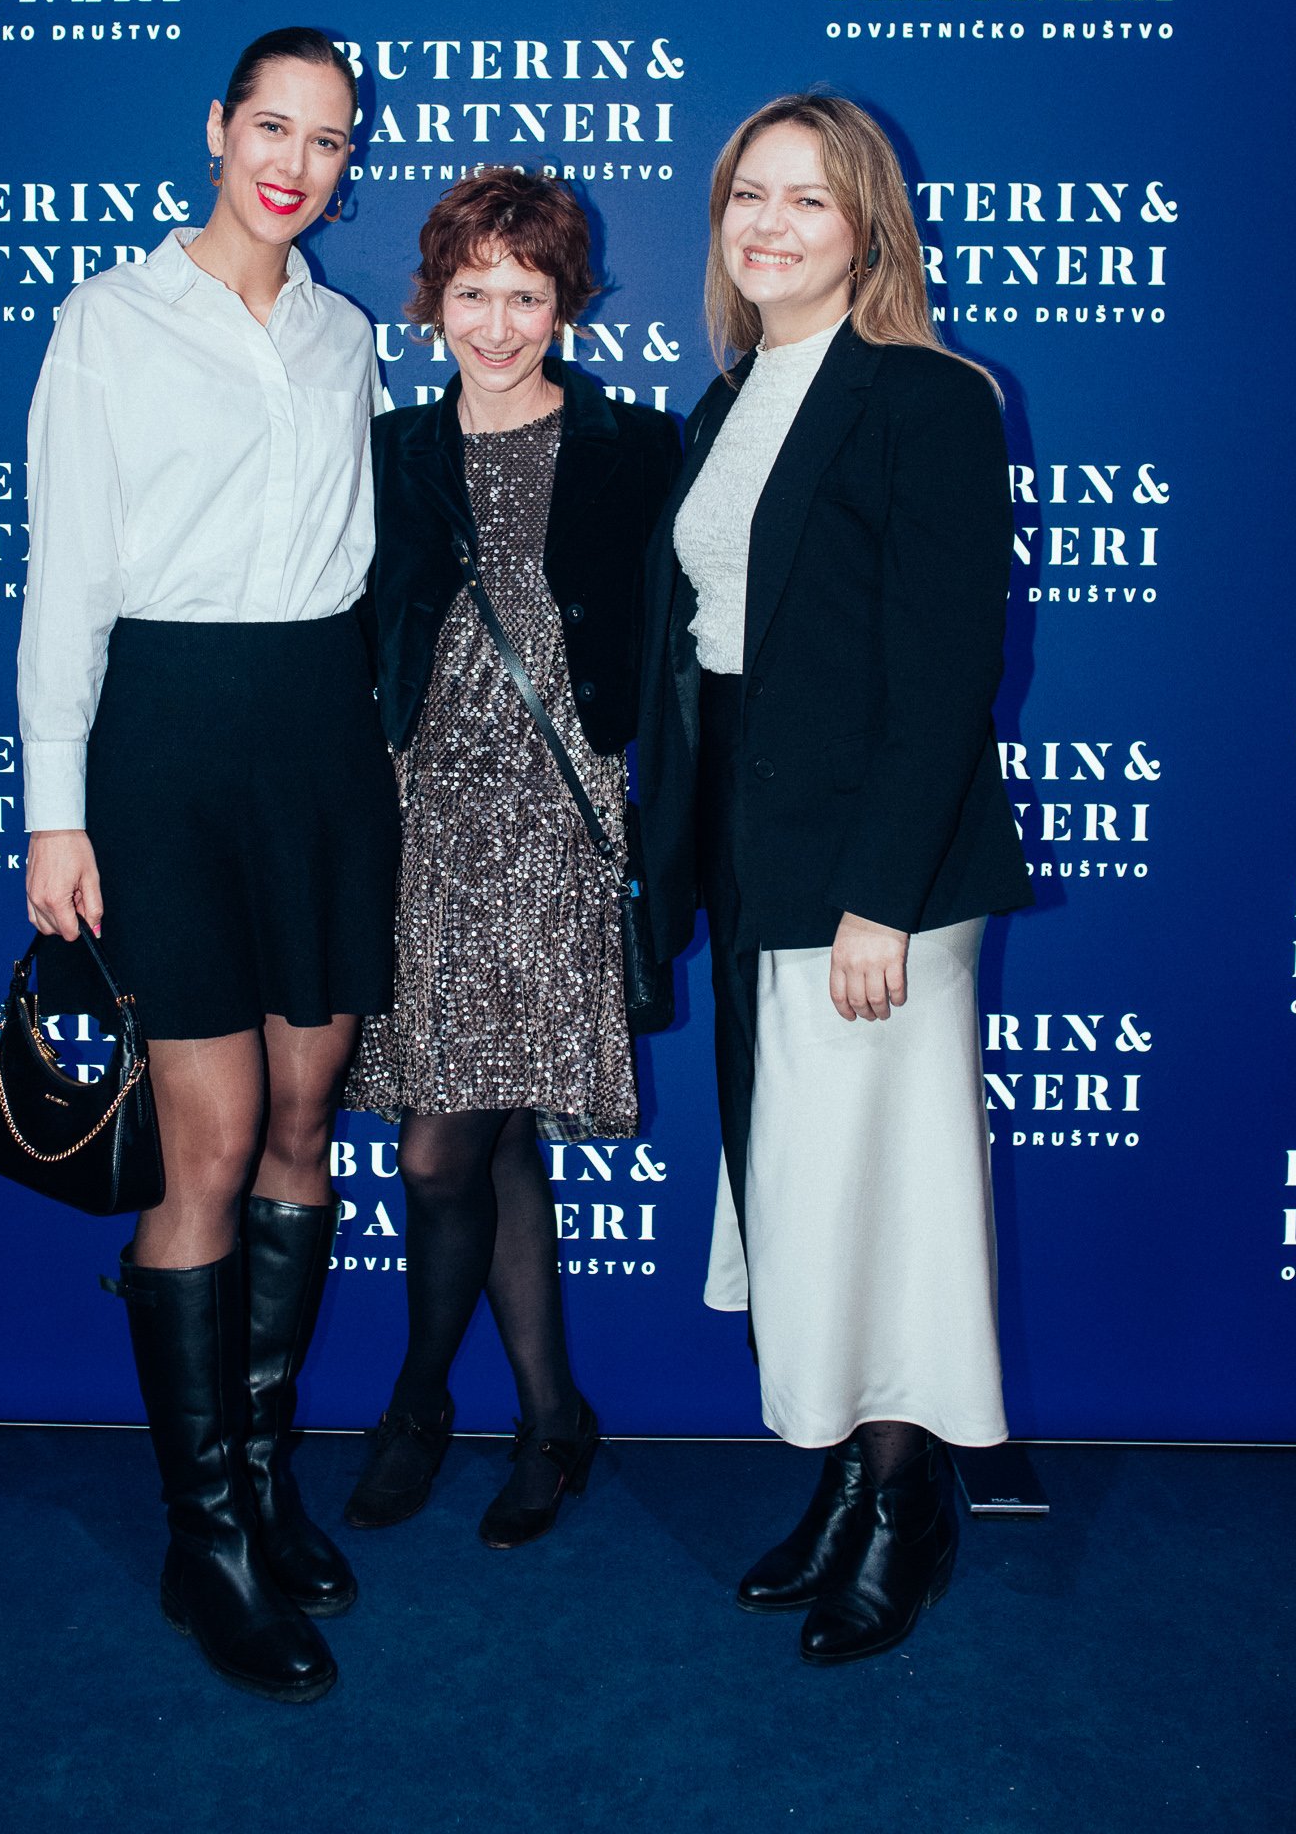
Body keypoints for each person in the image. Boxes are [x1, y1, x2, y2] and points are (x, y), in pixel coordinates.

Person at [17, 27, 397, 1703]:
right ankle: (206, 1541)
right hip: (162, 750)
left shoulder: (346, 334)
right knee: (214, 1145)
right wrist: (56, 804)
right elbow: (65, 578)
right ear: (218, 129)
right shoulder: (109, 320)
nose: (295, 161)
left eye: (327, 139)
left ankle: (265, 1475)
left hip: (319, 747)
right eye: (272, 126)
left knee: (309, 1121)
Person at [637, 94, 1034, 1665]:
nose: (771, 223)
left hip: (878, 876)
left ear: (868, 223)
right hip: (751, 851)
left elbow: (946, 673)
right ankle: (839, 1480)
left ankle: (904, 1502)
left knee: (882, 1192)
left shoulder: (928, 396)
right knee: (791, 1180)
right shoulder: (727, 397)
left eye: (808, 198)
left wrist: (882, 894)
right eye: (749, 194)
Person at [342, 168, 681, 1547]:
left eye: (525, 295)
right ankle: (551, 1415)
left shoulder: (641, 449)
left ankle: (420, 1400)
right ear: (433, 299)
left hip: (557, 824)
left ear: (565, 300)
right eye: (472, 292)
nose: (496, 322)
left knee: (442, 1152)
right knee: (486, 1144)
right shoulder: (387, 453)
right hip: (422, 826)